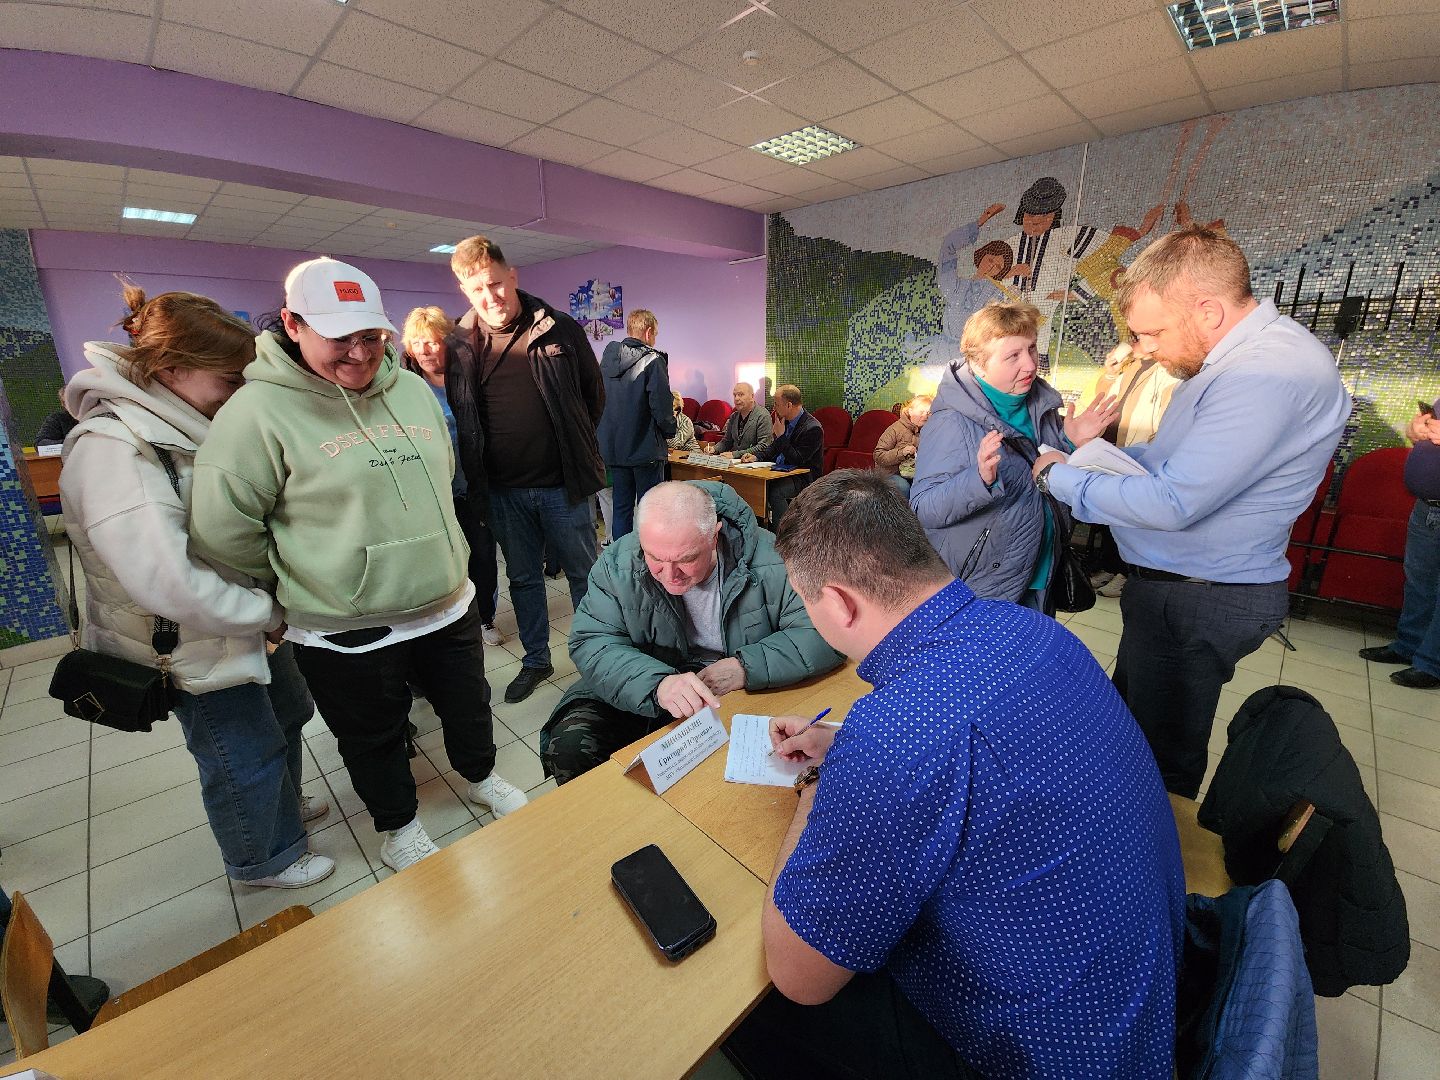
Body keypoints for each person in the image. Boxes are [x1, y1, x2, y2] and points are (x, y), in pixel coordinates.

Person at [722, 470, 1183, 1080]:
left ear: (837, 601)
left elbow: (799, 976)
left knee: (751, 1007)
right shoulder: (1033, 630)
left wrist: (818, 789)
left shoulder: (896, 737)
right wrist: (848, 748)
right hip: (1136, 1006)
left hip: (1039, 1056)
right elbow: (974, 748)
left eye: (808, 603)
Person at [190, 258, 527, 874]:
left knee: (468, 704)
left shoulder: (408, 387)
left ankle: (480, 775)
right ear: (292, 325)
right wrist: (303, 574)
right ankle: (397, 825)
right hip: (344, 627)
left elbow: (441, 471)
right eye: (338, 337)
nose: (359, 353)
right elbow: (223, 529)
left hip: (445, 601)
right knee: (371, 733)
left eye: (370, 336)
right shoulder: (255, 414)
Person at [1032, 226, 1351, 798]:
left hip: (1200, 596)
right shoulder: (1230, 366)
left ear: (1207, 311)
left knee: (1158, 762)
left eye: (1152, 333)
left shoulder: (1266, 374)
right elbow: (1165, 460)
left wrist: (1062, 477)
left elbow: (1175, 502)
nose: (1145, 350)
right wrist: (1107, 457)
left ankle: (1149, 875)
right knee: (1128, 731)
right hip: (1176, 589)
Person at [61, 284, 334, 889]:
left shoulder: (182, 424)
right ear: (172, 369)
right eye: (230, 380)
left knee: (289, 713)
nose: (238, 394)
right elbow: (167, 580)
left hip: (248, 620)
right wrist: (264, 611)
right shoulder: (114, 448)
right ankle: (263, 858)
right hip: (192, 637)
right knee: (240, 752)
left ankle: (280, 811)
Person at [540, 481, 843, 784]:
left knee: (715, 781)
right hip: (642, 676)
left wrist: (746, 666)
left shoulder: (772, 559)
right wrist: (657, 684)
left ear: (715, 536)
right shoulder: (618, 563)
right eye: (655, 558)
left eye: (686, 559)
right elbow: (592, 640)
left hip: (728, 691)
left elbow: (824, 633)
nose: (670, 575)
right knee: (569, 749)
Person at [446, 235, 605, 704]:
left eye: (496, 283)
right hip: (503, 493)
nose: (491, 296)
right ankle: (537, 660)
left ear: (511, 276)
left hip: (564, 487)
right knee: (523, 579)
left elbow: (592, 398)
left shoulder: (560, 328)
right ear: (465, 292)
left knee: (584, 573)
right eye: (478, 290)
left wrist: (571, 448)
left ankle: (598, 658)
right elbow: (465, 414)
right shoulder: (459, 342)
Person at [910, 301, 1116, 612]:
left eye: (1031, 349)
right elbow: (923, 508)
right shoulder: (951, 421)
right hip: (987, 586)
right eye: (1013, 356)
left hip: (1043, 571)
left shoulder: (1039, 406)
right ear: (979, 364)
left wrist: (1071, 441)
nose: (1030, 365)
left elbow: (1043, 470)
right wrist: (977, 480)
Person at [401, 305, 504, 646]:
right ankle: (445, 622)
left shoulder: (470, 378)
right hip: (431, 493)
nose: (425, 350)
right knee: (440, 562)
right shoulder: (403, 386)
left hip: (474, 488)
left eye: (432, 341)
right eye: (418, 342)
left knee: (482, 557)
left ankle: (484, 618)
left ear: (447, 342)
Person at [1086, 341, 1184, 598]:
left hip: (1141, 451)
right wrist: (1110, 372)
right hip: (1114, 446)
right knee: (1111, 513)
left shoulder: (1167, 369)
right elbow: (1104, 396)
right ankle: (1109, 566)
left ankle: (1125, 573)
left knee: (1131, 515)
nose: (1136, 342)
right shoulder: (1131, 366)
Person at [1358, 398, 1440, 688]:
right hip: (1426, 506)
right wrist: (1415, 430)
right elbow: (1417, 430)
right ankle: (1407, 646)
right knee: (1419, 582)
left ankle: (1431, 665)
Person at [596, 309, 675, 540]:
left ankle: (623, 562)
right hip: (645, 449)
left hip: (614, 451)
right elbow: (661, 406)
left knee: (621, 509)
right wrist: (669, 430)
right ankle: (650, 562)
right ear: (649, 332)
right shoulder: (653, 360)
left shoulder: (606, 361)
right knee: (651, 511)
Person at [740, 383, 824, 525]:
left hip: (802, 476)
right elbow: (773, 448)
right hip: (779, 471)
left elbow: (798, 459)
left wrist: (781, 437)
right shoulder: (784, 420)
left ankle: (783, 532)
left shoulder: (813, 428)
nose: (774, 408)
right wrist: (757, 456)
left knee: (775, 491)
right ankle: (760, 526)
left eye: (777, 404)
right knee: (753, 485)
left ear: (789, 405)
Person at [872, 393, 932, 496]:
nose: (925, 416)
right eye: (921, 412)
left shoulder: (929, 431)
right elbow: (878, 455)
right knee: (903, 486)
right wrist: (902, 453)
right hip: (890, 474)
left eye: (929, 412)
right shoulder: (895, 429)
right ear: (910, 411)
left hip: (914, 474)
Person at [712, 381, 773, 457]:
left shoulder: (763, 415)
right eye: (735, 395)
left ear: (752, 397)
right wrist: (714, 449)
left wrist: (735, 454)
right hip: (735, 464)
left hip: (753, 464)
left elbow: (763, 446)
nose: (736, 398)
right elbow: (727, 441)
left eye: (741, 395)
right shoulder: (734, 416)